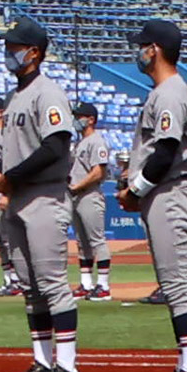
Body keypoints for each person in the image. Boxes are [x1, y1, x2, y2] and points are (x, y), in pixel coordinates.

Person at [0, 22, 80, 372]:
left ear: (34, 51)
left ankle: (67, 369)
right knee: (31, 287)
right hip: (21, 198)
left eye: (15, 45)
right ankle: (42, 362)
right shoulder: (14, 96)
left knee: (53, 284)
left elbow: (56, 146)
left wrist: (12, 177)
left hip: (45, 195)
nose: (9, 51)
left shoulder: (48, 92)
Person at [122, 20, 187, 372]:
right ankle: (184, 367)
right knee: (173, 284)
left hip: (171, 191)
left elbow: (165, 152)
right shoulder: (165, 91)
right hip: (167, 191)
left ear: (154, 49)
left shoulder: (171, 93)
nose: (137, 51)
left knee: (177, 284)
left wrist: (135, 190)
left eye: (141, 45)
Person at [62, 98, 115, 303]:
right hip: (76, 195)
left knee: (96, 240)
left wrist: (78, 186)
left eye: (79, 117)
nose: (76, 120)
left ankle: (103, 285)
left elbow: (98, 171)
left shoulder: (96, 141)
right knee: (82, 243)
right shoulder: (80, 142)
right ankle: (86, 283)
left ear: (91, 119)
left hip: (89, 194)